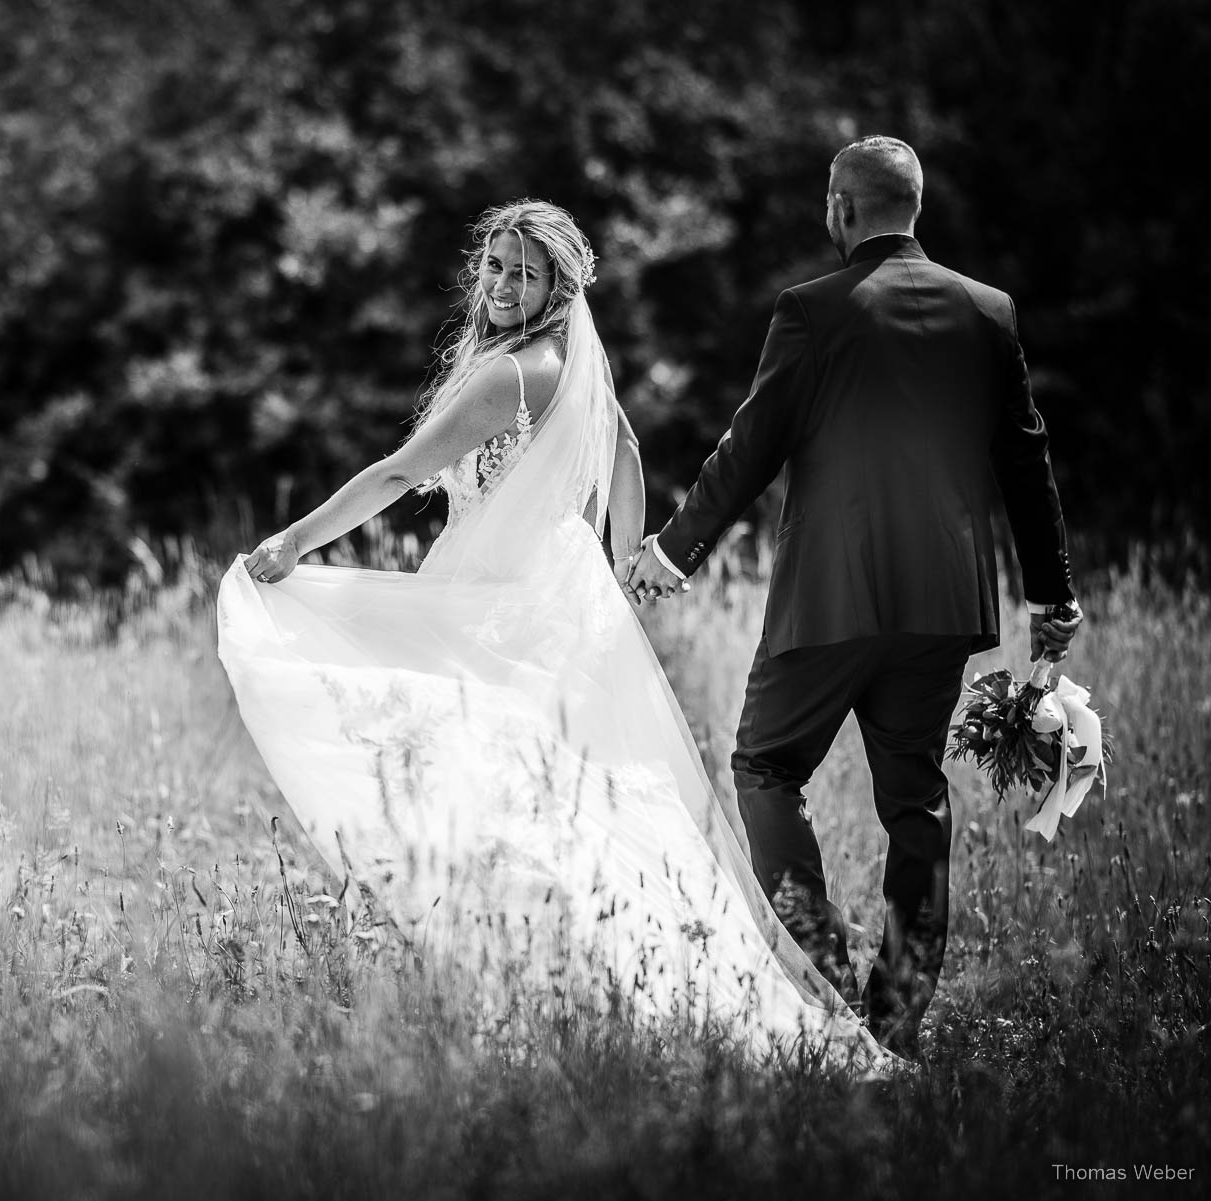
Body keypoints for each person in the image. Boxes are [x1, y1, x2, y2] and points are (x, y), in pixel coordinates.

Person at [219, 200, 884, 1064]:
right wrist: (615, 571)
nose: (500, 284)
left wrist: (294, 540)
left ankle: (551, 988)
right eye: (493, 265)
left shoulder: (511, 377)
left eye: (522, 273)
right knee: (547, 792)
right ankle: (584, 976)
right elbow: (629, 456)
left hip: (502, 605)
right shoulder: (575, 367)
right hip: (551, 591)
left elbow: (399, 471)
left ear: (558, 287)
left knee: (492, 787)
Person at [623, 137, 1083, 1058]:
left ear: (840, 208)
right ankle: (896, 1025)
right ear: (916, 208)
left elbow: (749, 446)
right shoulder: (987, 312)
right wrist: (1051, 593)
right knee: (916, 804)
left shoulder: (812, 311)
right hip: (943, 605)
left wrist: (672, 553)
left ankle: (829, 982)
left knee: (763, 767)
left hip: (829, 601)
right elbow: (1024, 459)